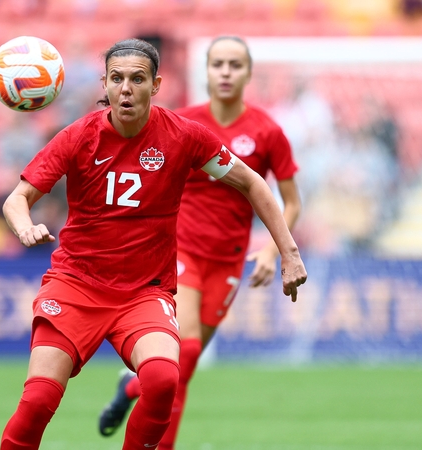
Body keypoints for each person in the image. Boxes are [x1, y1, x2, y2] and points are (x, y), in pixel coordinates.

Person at [0, 38, 307, 450]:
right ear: (105, 85)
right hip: (75, 285)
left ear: (156, 85)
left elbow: (252, 182)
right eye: (116, 78)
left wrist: (288, 252)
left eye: (137, 79)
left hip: (144, 292)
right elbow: (17, 198)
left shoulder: (184, 136)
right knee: (38, 400)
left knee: (163, 380)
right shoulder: (78, 136)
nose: (126, 88)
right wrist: (24, 227)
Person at [97, 36, 302, 448]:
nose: (225, 72)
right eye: (217, 64)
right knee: (186, 353)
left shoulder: (267, 131)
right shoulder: (183, 123)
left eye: (235, 65)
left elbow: (291, 201)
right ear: (204, 71)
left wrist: (272, 250)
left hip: (228, 260)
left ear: (248, 73)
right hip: (180, 252)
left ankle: (131, 387)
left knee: (181, 368)